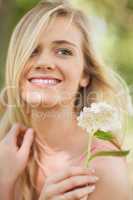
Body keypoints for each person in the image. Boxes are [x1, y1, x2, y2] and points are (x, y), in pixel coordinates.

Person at [0, 0, 132, 199]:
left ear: (84, 75)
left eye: (64, 51)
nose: (44, 63)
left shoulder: (103, 170)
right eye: (31, 50)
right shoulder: (5, 152)